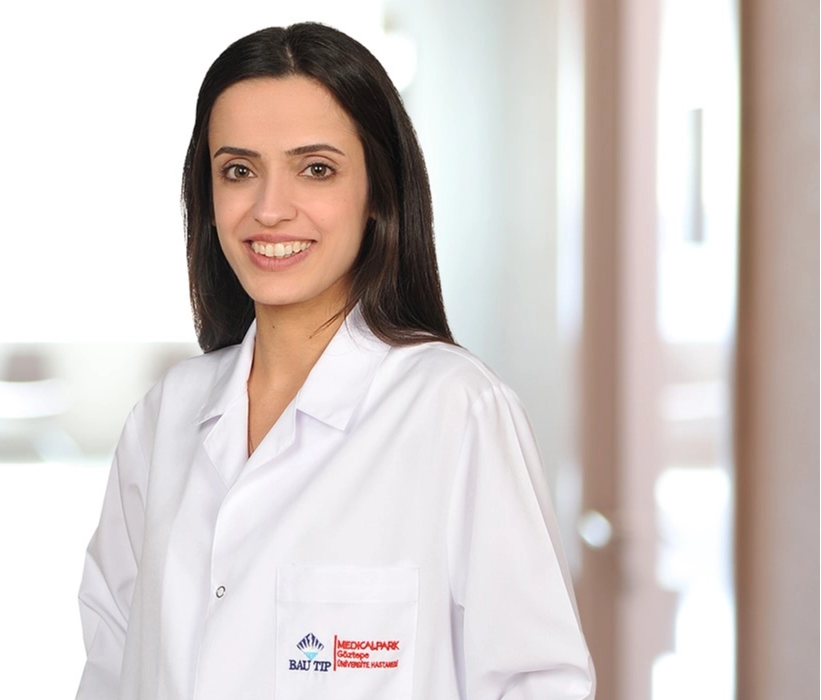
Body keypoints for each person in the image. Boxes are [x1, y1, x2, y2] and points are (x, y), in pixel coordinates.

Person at [76, 22, 594, 700]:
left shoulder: (455, 410)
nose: (269, 210)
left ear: (379, 192)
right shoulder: (166, 416)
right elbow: (110, 665)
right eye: (238, 171)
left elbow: (539, 682)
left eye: (315, 169)